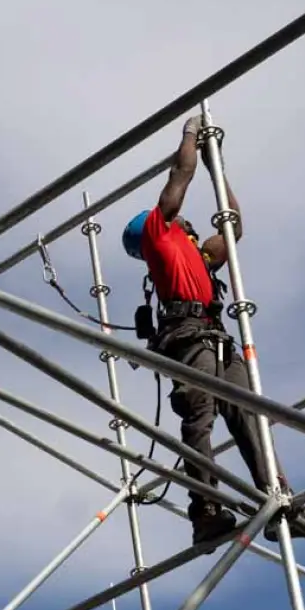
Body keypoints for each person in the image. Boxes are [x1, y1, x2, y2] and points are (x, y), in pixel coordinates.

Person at [121, 116, 282, 548]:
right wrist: (192, 135)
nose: (191, 225)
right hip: (188, 335)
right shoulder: (160, 235)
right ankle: (205, 511)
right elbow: (180, 174)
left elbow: (234, 227)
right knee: (200, 416)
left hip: (215, 335)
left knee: (248, 414)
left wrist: (218, 169)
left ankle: (276, 496)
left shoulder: (197, 255)